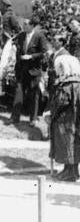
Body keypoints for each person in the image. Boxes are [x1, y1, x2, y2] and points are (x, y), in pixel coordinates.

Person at [49, 54, 80, 182]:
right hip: (75, 120)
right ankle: (72, 171)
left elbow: (61, 102)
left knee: (67, 145)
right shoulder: (77, 83)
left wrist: (50, 112)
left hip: (65, 121)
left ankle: (70, 173)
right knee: (73, 145)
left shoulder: (66, 85)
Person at [14, 16, 49, 125]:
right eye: (23, 23)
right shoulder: (21, 35)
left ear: (32, 25)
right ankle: (14, 117)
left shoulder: (39, 36)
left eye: (26, 24)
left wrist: (31, 56)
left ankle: (33, 119)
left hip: (33, 70)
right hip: (21, 69)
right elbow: (17, 49)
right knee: (18, 93)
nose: (23, 26)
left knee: (34, 95)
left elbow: (44, 52)